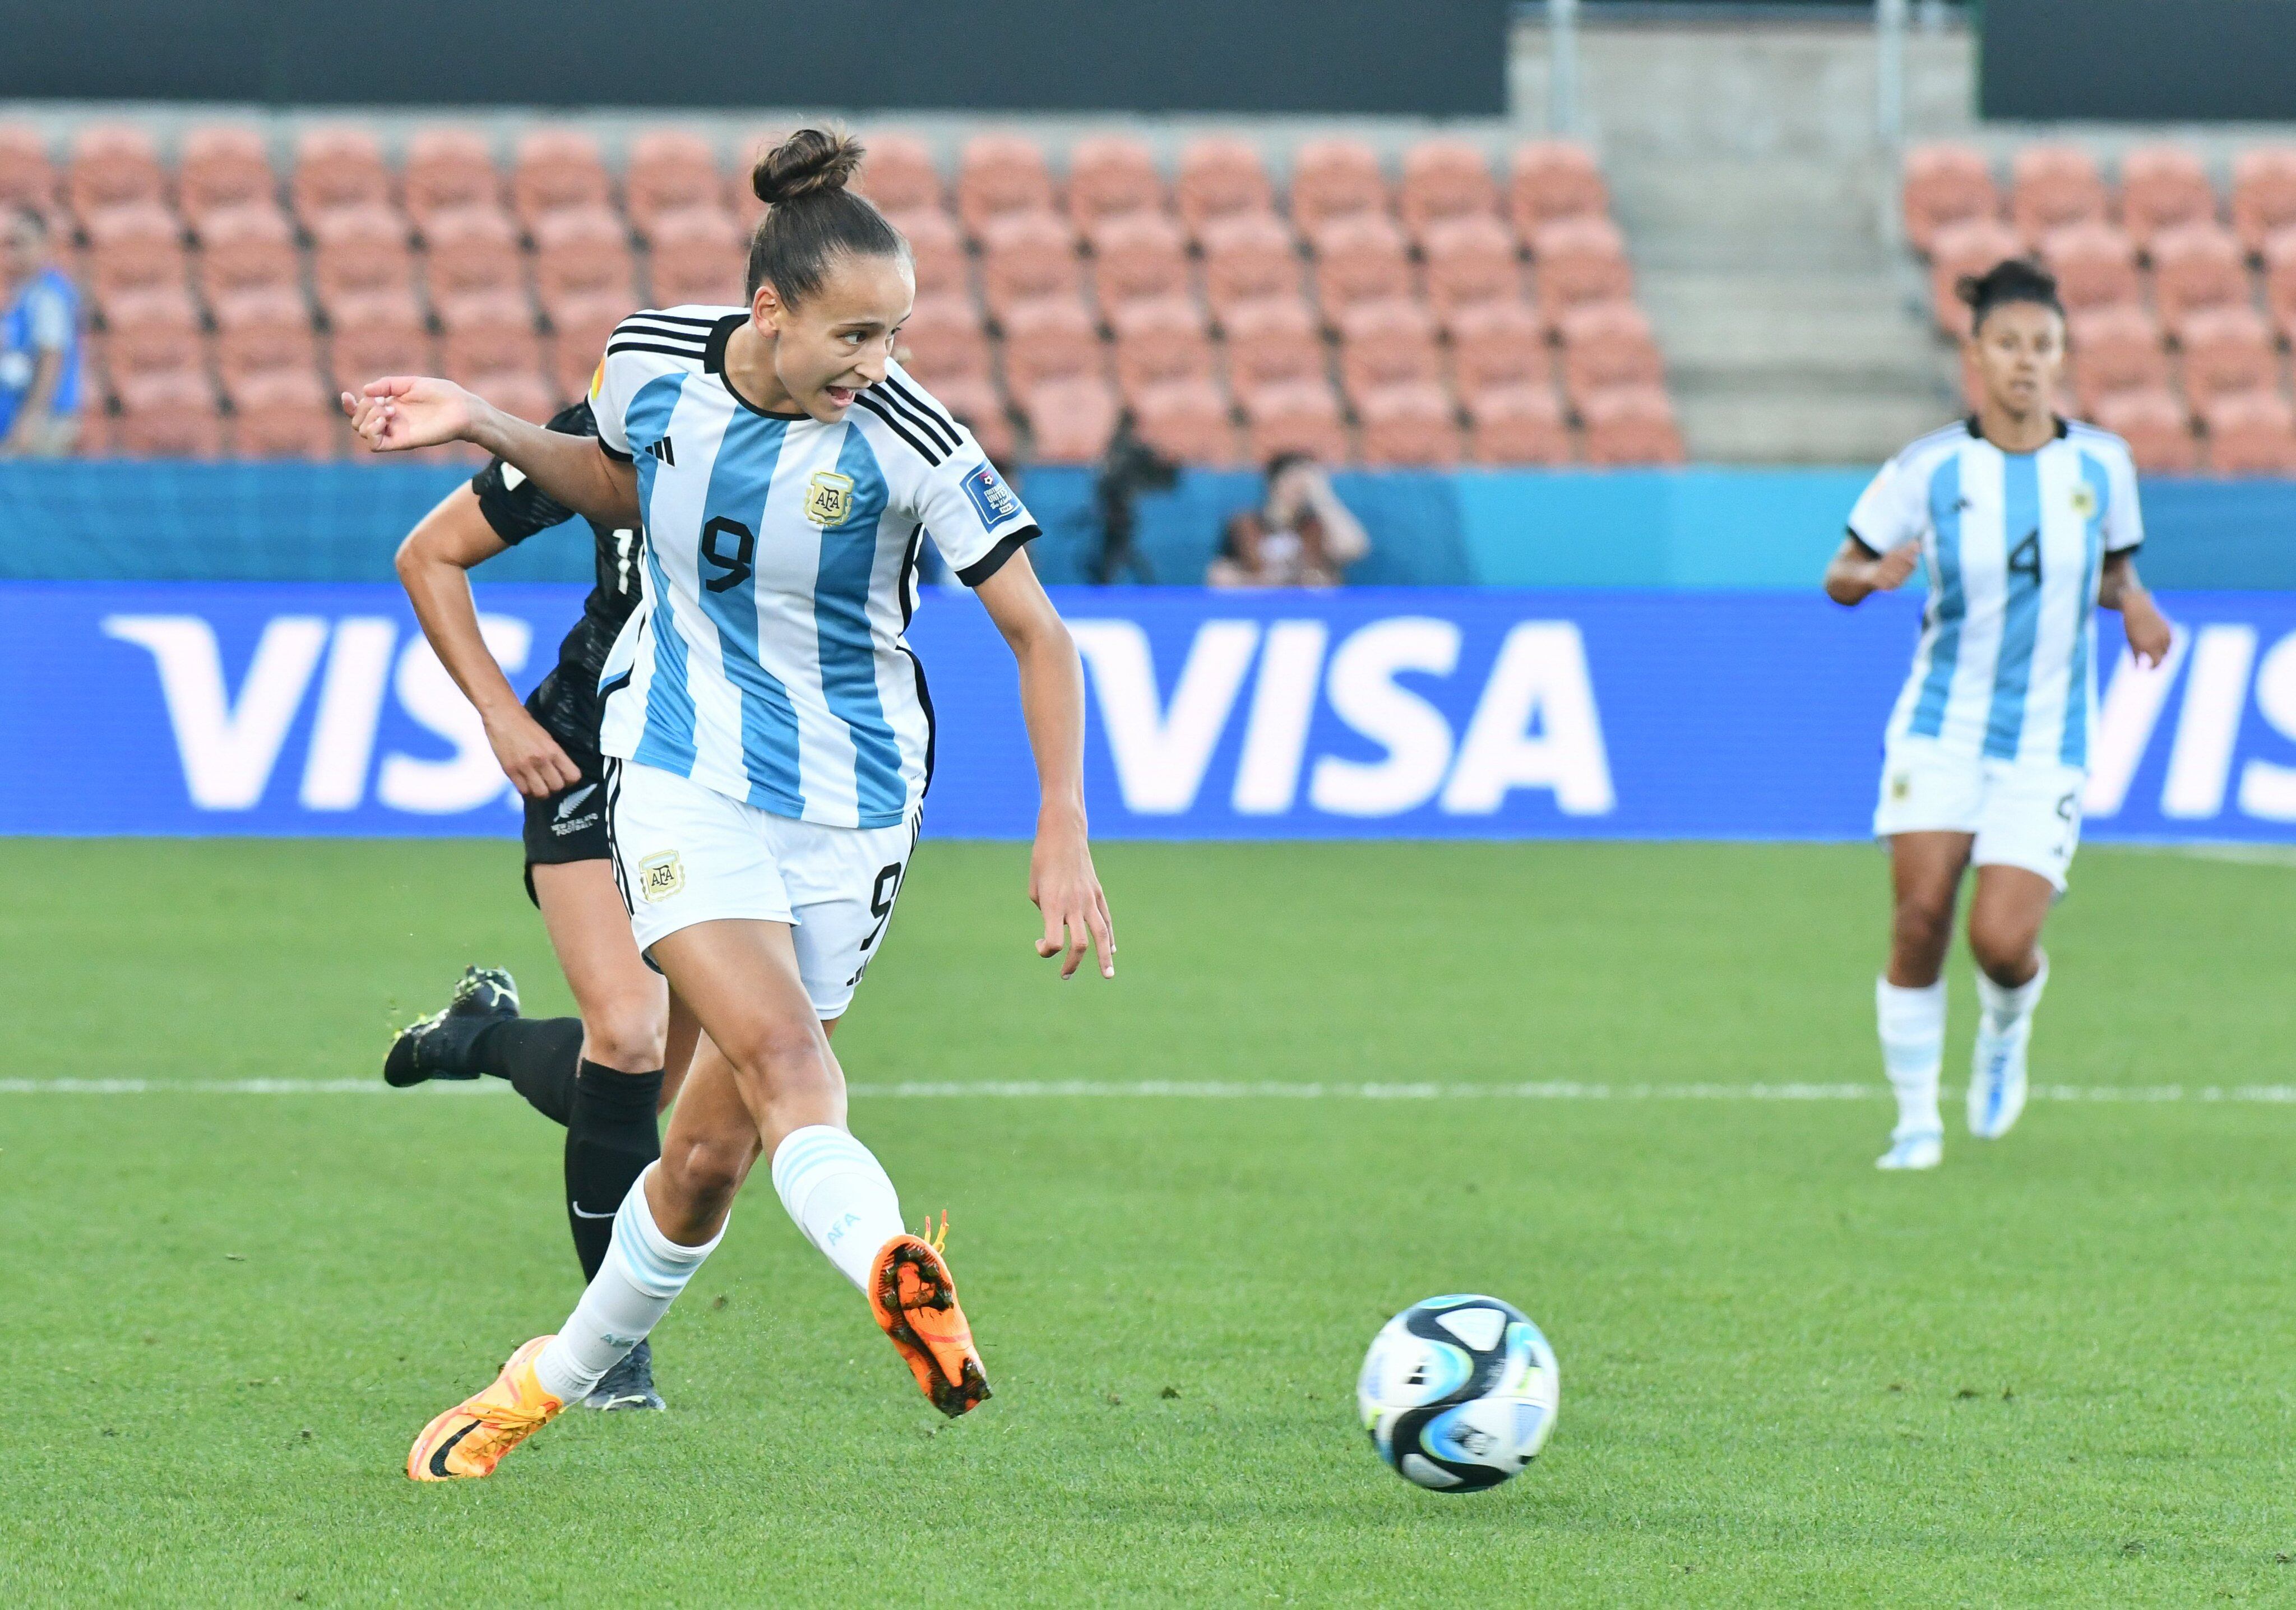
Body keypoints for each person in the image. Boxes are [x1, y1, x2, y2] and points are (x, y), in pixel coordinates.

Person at [345, 128, 1115, 1482]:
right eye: (856, 334)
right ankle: (895, 1265)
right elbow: (619, 487)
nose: (879, 362)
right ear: (770, 311)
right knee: (777, 1063)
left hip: (856, 808)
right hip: (684, 766)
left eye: (899, 333)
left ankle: (541, 1383)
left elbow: (1040, 638)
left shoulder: (913, 438)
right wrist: (489, 423)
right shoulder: (649, 355)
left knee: (706, 1152)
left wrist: (1064, 822)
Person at [382, 397, 701, 1413]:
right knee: (631, 1030)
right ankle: (612, 1354)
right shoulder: (615, 432)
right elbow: (429, 554)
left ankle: (477, 1035)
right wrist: (499, 716)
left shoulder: (823, 448)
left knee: (644, 1089)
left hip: (718, 773)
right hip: (583, 755)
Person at [1822, 259, 2172, 1172]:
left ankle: (2006, 1033)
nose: (2026, 361)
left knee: (2001, 940)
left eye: (2043, 345)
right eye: (2008, 343)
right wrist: (1873, 574)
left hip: (2047, 741)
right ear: (1974, 352)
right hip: (1940, 726)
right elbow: (1839, 573)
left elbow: (2112, 571)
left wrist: (2130, 601)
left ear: (2062, 357)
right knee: (1920, 917)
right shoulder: (1929, 469)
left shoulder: (2102, 465)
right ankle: (1914, 1122)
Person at [1206, 452, 1368, 587]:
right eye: (1292, 479)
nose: (1298, 487)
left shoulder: (1317, 527)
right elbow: (1218, 576)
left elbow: (1354, 548)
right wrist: (1264, 582)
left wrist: (1322, 496)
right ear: (1275, 482)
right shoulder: (1244, 525)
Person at [0, 205, 82, 458]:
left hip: (44, 423)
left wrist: (30, 421)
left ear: (44, 244)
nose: (15, 253)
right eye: (11, 245)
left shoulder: (49, 295)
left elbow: (51, 359)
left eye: (23, 244)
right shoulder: (24, 293)